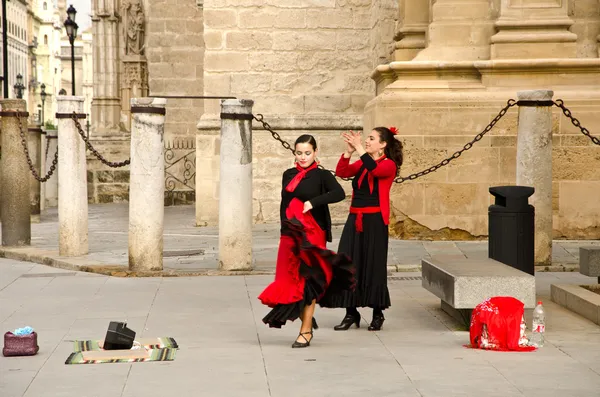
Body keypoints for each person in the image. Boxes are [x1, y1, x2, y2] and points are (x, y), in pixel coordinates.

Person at [258, 134, 355, 348]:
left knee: (309, 280)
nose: (303, 157)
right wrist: (284, 230)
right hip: (291, 233)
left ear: (315, 152)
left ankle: (306, 331)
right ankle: (307, 318)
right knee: (290, 279)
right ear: (294, 152)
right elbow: (285, 203)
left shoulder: (321, 176)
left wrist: (313, 202)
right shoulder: (288, 174)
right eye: (299, 153)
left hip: (313, 232)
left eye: (307, 153)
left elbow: (339, 193)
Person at [320, 127, 403, 331]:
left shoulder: (389, 165)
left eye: (371, 139)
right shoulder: (363, 163)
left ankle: (377, 313)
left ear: (383, 144)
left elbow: (375, 170)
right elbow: (342, 172)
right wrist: (348, 152)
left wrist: (359, 148)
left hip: (375, 221)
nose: (367, 141)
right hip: (355, 218)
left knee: (373, 265)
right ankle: (351, 313)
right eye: (366, 138)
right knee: (348, 263)